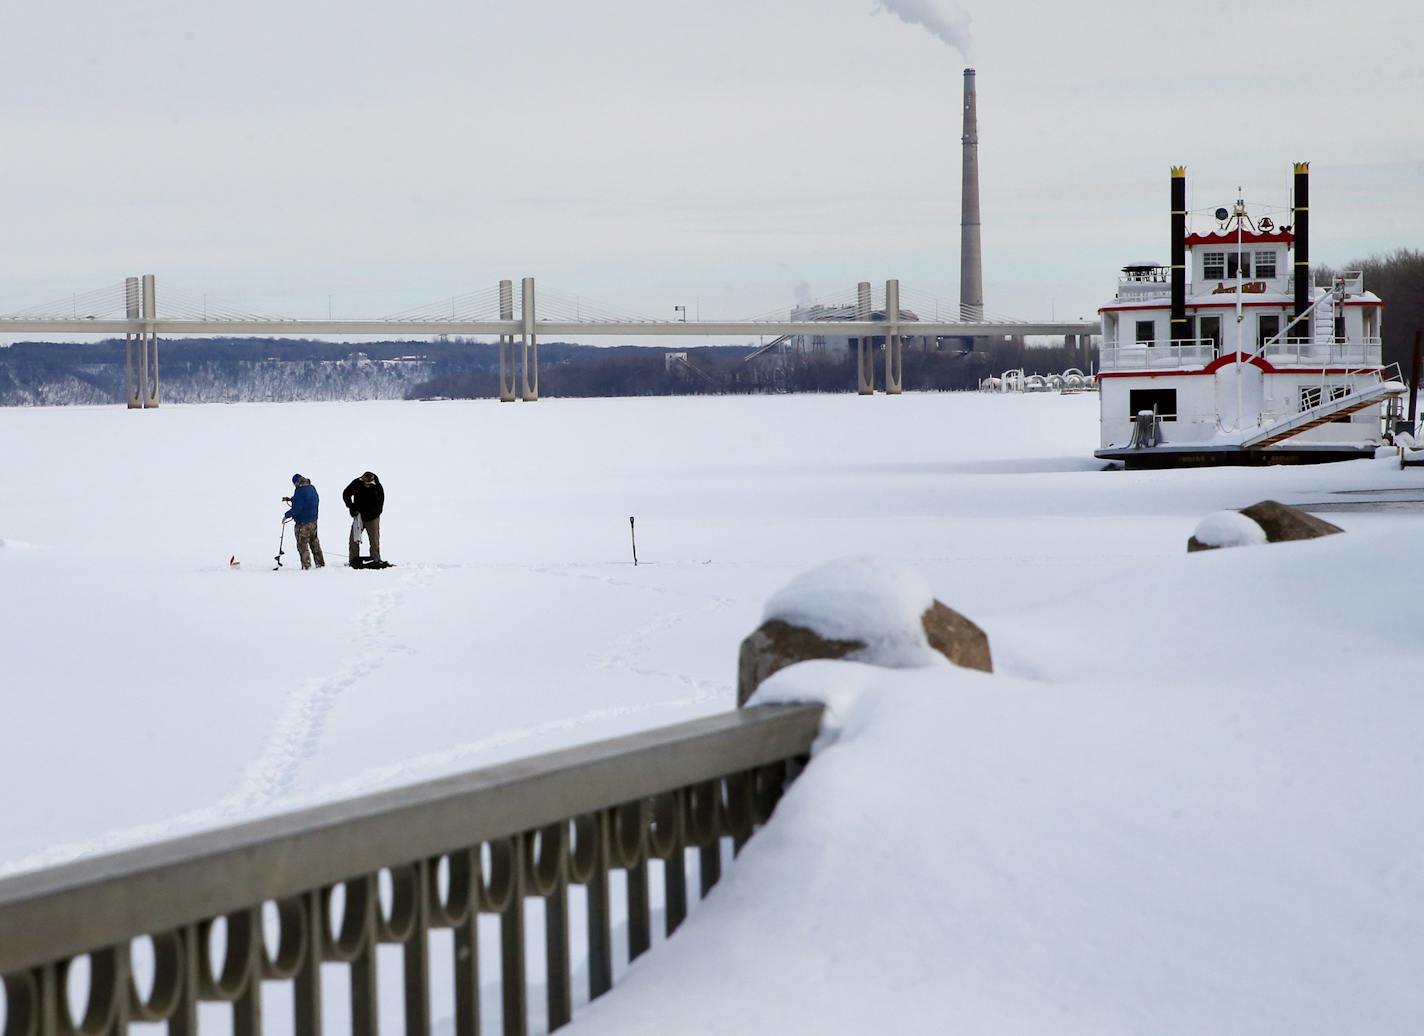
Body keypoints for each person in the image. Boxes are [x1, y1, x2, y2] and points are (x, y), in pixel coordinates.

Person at [282, 474, 325, 570]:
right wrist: (291, 499)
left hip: (302, 524)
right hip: (313, 521)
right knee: (314, 542)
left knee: (303, 545)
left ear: (296, 482)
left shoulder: (300, 491)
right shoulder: (311, 487)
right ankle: (320, 563)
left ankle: (307, 566)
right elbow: (305, 500)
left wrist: (286, 515)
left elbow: (297, 508)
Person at [342, 470, 385, 566]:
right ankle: (353, 560)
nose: (367, 485)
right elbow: (346, 493)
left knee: (374, 540)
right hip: (358, 517)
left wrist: (371, 514)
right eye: (365, 483)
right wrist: (351, 507)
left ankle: (376, 559)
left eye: (369, 483)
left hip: (373, 518)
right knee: (353, 539)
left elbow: (380, 506)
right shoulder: (357, 483)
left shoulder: (378, 487)